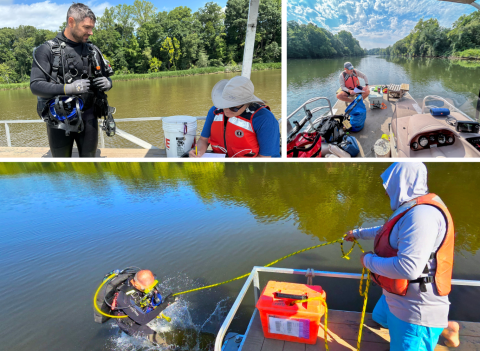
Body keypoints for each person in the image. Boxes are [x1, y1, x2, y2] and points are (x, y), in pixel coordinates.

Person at [344, 162, 460, 350]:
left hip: (415, 308)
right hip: (395, 295)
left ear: (403, 183)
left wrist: (367, 261)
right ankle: (446, 329)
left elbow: (409, 268)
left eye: (389, 186)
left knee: (407, 339)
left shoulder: (422, 215)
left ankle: (434, 328)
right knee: (379, 317)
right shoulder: (410, 207)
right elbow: (387, 231)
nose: (386, 192)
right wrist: (357, 233)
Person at [30, 3, 114, 157]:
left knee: (89, 165)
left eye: (92, 27)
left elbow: (106, 76)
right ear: (71, 22)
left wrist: (108, 83)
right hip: (59, 119)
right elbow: (35, 86)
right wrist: (67, 89)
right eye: (87, 27)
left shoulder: (92, 50)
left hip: (89, 116)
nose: (91, 32)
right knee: (62, 168)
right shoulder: (47, 50)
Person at [189, 76, 280, 158]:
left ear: (247, 103)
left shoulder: (265, 119)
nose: (226, 110)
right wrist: (198, 153)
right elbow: (203, 140)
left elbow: (264, 158)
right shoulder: (214, 111)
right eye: (224, 104)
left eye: (234, 107)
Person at [112, 270, 175, 345]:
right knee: (158, 339)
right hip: (129, 322)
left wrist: (157, 305)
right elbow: (142, 319)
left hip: (139, 308)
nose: (149, 290)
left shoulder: (142, 279)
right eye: (145, 289)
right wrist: (165, 304)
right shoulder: (124, 299)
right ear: (136, 284)